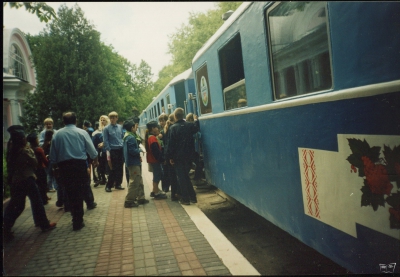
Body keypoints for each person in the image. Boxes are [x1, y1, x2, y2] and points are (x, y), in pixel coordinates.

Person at [4, 125, 57, 241]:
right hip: (27, 179)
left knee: (16, 205)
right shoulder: (23, 151)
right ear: (21, 139)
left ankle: (6, 227)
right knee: (37, 201)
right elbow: (34, 162)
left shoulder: (11, 150)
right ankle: (44, 224)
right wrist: (29, 150)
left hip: (16, 181)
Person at [49, 112, 99, 231]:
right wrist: (95, 159)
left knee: (70, 193)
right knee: (80, 191)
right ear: (76, 121)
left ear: (63, 122)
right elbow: (92, 151)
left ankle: (75, 218)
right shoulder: (82, 132)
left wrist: (55, 168)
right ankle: (78, 219)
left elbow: (52, 156)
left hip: (64, 167)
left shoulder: (57, 135)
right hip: (79, 166)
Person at [165, 108, 199, 205]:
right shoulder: (189, 125)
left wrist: (170, 157)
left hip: (178, 157)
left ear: (175, 116)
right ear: (183, 116)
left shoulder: (173, 128)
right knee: (186, 176)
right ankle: (193, 197)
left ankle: (186, 198)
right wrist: (196, 119)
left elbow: (170, 144)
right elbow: (196, 127)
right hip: (189, 156)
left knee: (182, 177)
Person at [123, 120, 149, 207]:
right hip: (133, 163)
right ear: (132, 128)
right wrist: (140, 150)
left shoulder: (128, 136)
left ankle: (141, 198)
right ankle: (129, 201)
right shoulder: (131, 137)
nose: (136, 127)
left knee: (138, 179)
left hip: (133, 162)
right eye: (135, 126)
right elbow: (132, 151)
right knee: (134, 181)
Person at [103, 111, 125, 192]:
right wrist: (109, 150)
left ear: (117, 118)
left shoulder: (120, 127)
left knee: (120, 167)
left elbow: (122, 137)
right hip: (113, 150)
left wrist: (122, 145)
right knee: (113, 168)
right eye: (111, 118)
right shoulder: (106, 129)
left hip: (120, 149)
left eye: (114, 118)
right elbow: (105, 140)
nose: (112, 119)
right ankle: (109, 185)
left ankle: (118, 184)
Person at [145, 121, 167, 199]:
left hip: (153, 160)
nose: (158, 129)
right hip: (155, 160)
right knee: (157, 175)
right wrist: (162, 159)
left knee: (158, 174)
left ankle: (155, 190)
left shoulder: (150, 137)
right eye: (156, 127)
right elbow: (156, 152)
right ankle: (156, 192)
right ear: (153, 128)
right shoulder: (152, 138)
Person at [26, 133, 50, 205]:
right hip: (40, 169)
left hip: (33, 170)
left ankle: (40, 199)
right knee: (43, 185)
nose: (38, 140)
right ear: (35, 140)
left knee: (38, 185)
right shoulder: (39, 149)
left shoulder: (29, 149)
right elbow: (45, 160)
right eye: (37, 138)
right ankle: (44, 199)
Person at [163, 113, 180, 201]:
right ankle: (175, 194)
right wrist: (171, 157)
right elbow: (171, 145)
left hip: (167, 154)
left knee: (172, 175)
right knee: (174, 176)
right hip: (170, 155)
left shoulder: (166, 129)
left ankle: (174, 194)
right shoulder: (172, 128)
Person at [92, 115, 110, 186]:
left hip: (108, 151)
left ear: (107, 121)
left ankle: (109, 179)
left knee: (108, 165)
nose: (102, 121)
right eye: (101, 120)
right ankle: (102, 179)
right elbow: (93, 143)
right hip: (100, 151)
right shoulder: (96, 132)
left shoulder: (109, 130)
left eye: (104, 120)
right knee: (101, 165)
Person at [158, 114, 169, 192]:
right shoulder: (161, 130)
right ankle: (165, 187)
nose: (161, 123)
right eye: (160, 121)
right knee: (165, 171)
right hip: (164, 153)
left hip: (166, 153)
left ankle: (166, 187)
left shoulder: (165, 131)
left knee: (165, 171)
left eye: (163, 121)